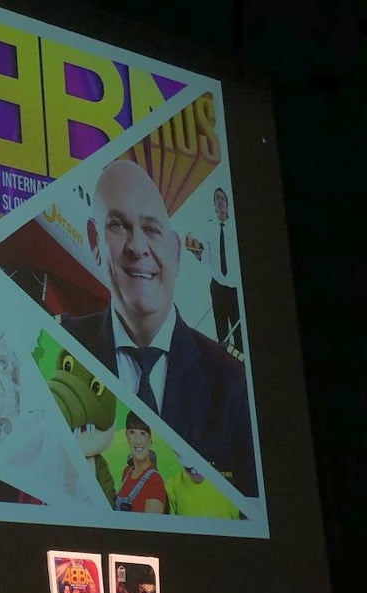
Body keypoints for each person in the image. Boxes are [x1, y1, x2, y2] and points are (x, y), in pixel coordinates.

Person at [61, 160, 256, 496]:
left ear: (176, 251)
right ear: (94, 241)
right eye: (118, 225)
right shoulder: (58, 349)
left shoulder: (232, 382)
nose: (138, 247)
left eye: (152, 229)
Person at [185, 185, 242, 353]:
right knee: (222, 332)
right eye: (217, 198)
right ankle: (223, 364)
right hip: (217, 286)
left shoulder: (237, 226)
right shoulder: (208, 227)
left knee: (239, 335)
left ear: (227, 203)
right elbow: (207, 259)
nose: (220, 201)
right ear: (214, 204)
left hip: (235, 289)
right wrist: (197, 253)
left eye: (222, 198)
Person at [114, 412, 166, 513]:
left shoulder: (154, 481)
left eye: (143, 433)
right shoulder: (127, 472)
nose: (138, 441)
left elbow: (151, 526)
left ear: (150, 439)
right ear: (127, 435)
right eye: (132, 432)